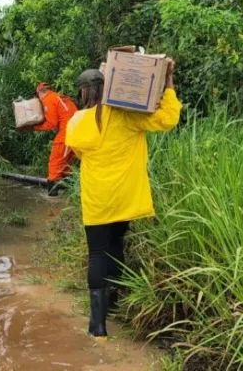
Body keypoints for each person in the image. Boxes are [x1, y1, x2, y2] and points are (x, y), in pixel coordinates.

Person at [65, 61, 182, 341]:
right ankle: (116, 304)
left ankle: (98, 327)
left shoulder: (76, 122)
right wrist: (168, 82)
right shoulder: (127, 116)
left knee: (97, 253)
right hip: (125, 198)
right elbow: (168, 119)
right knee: (117, 244)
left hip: (97, 201)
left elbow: (79, 153)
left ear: (83, 94)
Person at [23, 83, 78, 196]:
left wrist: (33, 127)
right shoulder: (59, 97)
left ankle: (52, 196)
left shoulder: (48, 99)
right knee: (67, 165)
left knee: (55, 162)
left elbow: (51, 124)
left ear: (40, 92)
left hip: (67, 134)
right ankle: (69, 196)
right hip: (76, 131)